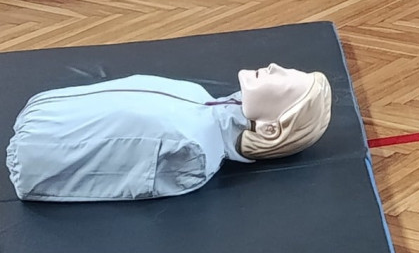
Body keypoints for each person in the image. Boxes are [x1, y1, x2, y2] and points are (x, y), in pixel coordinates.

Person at [7, 64, 332, 201]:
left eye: (285, 80)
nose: (275, 67)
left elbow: (110, 176)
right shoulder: (199, 98)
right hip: (42, 113)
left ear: (271, 128)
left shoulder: (194, 152)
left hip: (35, 152)